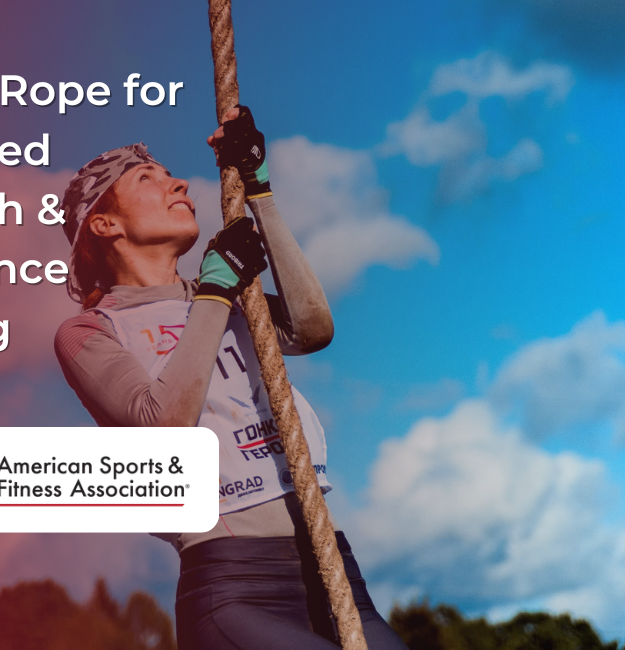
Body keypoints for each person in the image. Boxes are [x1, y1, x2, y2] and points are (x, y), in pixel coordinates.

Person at [55, 107, 407, 650]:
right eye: (147, 179)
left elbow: (312, 329)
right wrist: (218, 293)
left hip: (333, 569)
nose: (176, 182)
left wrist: (259, 191)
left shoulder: (219, 298)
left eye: (169, 173)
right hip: (235, 588)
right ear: (106, 225)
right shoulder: (91, 331)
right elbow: (164, 427)